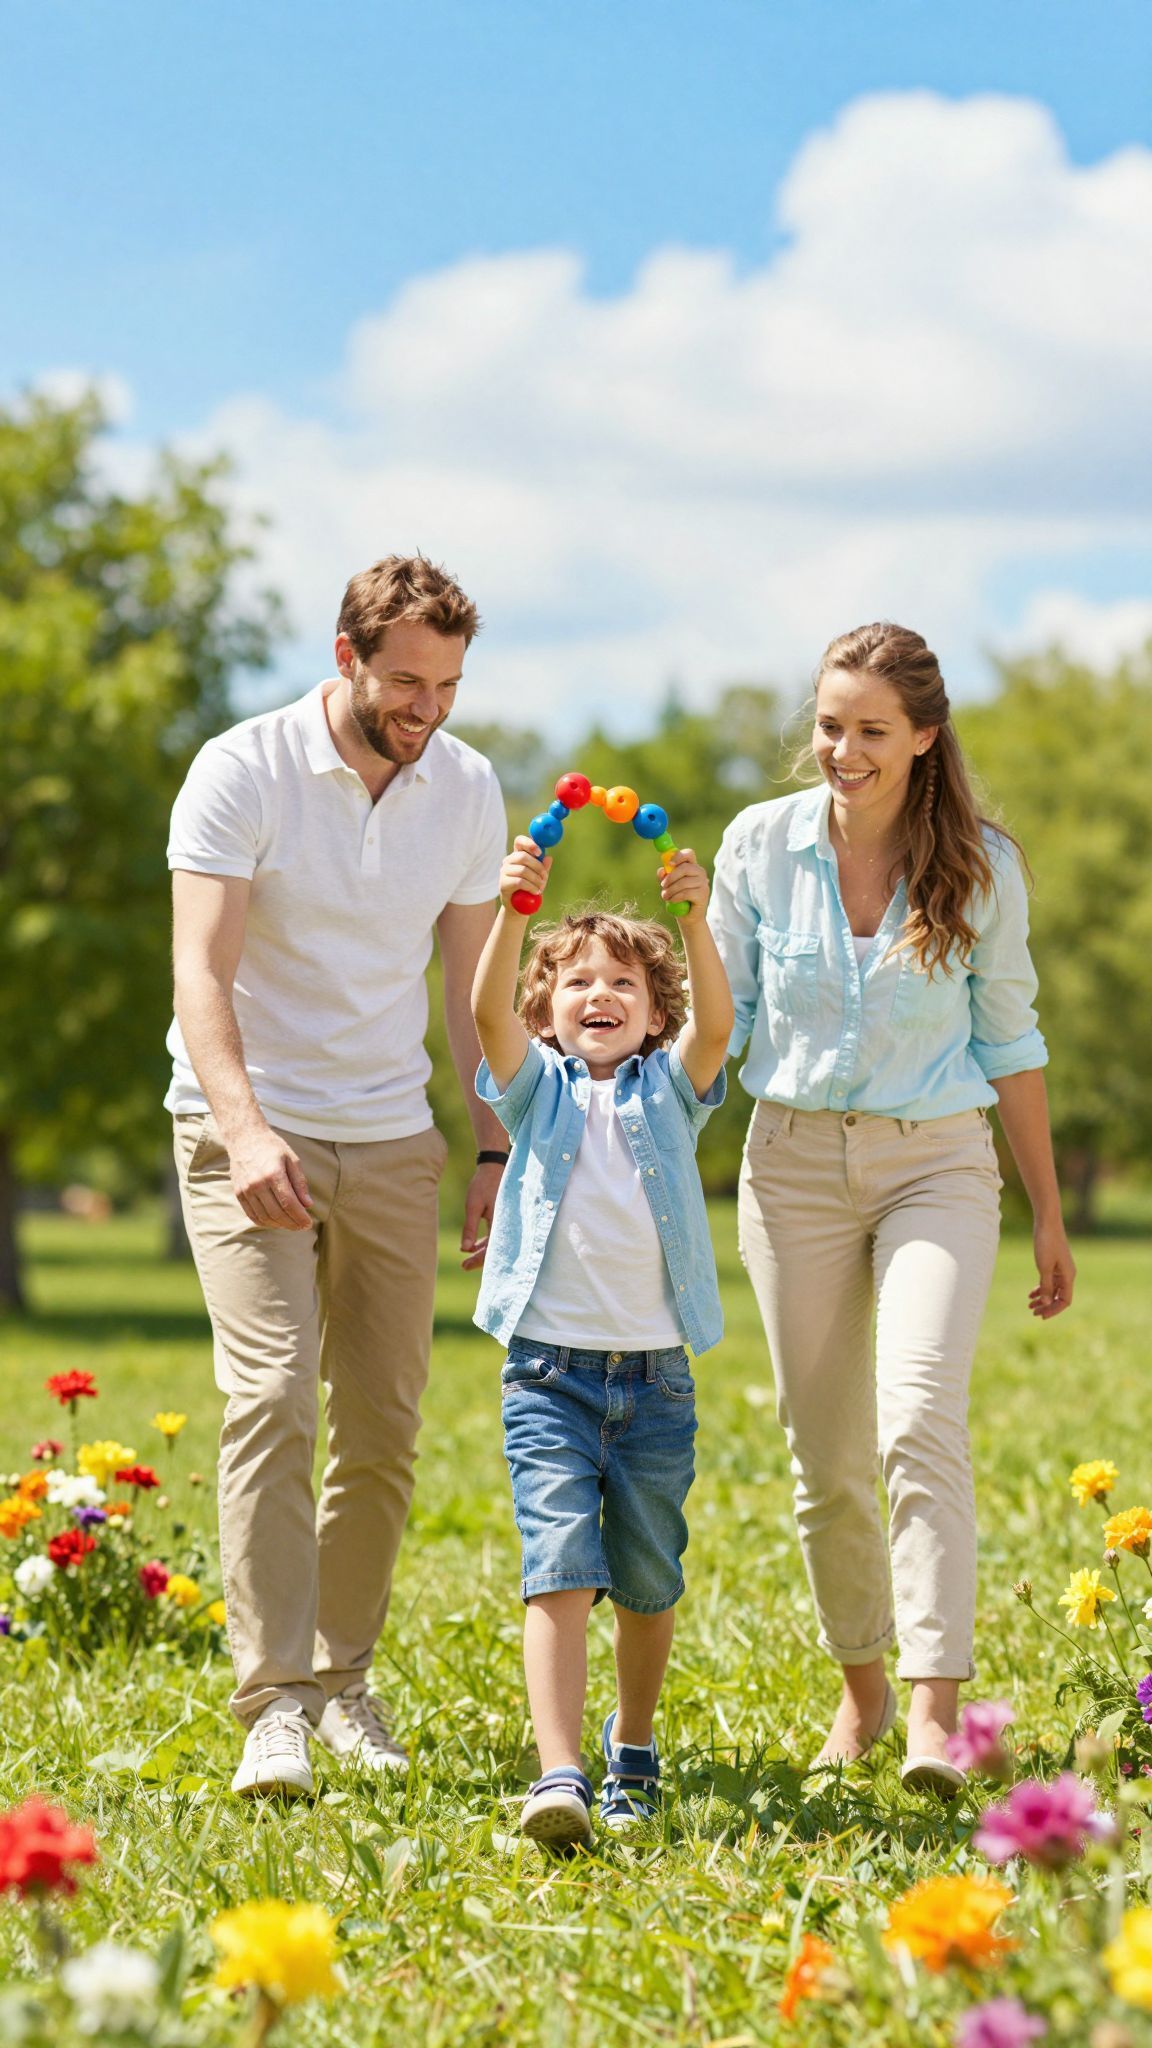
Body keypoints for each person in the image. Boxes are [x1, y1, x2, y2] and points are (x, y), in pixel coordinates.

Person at [708, 622, 1075, 1796]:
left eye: (871, 730)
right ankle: (860, 1690)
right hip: (794, 1164)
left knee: (917, 1413)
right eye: (828, 725)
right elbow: (716, 1025)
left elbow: (1009, 1040)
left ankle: (932, 1706)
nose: (843, 750)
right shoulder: (759, 848)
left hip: (939, 1165)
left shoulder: (982, 863)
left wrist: (1051, 1215)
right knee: (824, 1456)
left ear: (923, 735)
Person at [168, 554, 510, 1799]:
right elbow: (201, 971)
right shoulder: (243, 769)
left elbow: (472, 997)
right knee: (273, 1397)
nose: (427, 709)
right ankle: (270, 1704)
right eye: (406, 681)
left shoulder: (466, 789)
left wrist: (489, 1144)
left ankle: (339, 1678)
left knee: (382, 1421)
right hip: (245, 1122)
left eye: (450, 685)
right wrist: (248, 1128)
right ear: (347, 657)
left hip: (388, 1133)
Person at [471, 834, 733, 1848]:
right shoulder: (535, 1087)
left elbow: (718, 1025)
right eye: (576, 980)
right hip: (548, 1373)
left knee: (646, 1576)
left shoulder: (670, 1087)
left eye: (623, 979)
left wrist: (695, 921)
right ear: (550, 1011)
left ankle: (634, 1745)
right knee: (559, 1565)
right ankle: (560, 1772)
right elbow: (487, 1011)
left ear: (654, 1011)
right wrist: (513, 913)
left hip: (655, 1380)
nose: (599, 992)